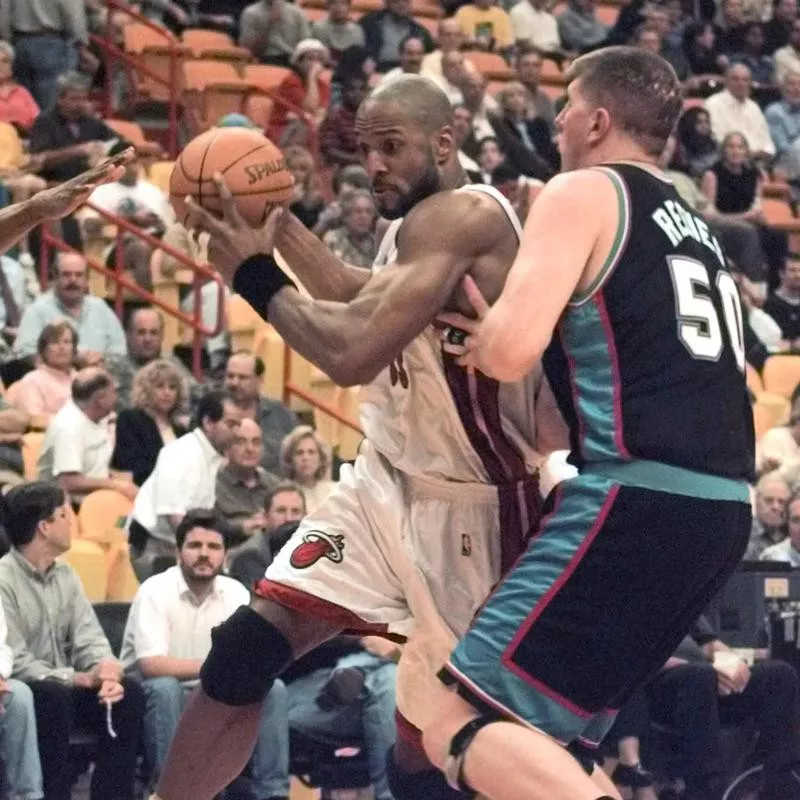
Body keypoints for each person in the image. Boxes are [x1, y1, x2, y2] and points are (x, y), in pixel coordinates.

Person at [152, 73, 565, 800]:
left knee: (436, 754)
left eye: (392, 147)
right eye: (365, 149)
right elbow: (355, 299)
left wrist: (250, 271)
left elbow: (351, 352)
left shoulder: (467, 216)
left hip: (477, 510)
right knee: (243, 653)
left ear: (447, 140)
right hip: (381, 485)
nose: (372, 165)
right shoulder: (416, 227)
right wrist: (277, 224)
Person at [420, 45, 753, 800]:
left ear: (599, 119)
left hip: (639, 503)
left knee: (459, 725)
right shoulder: (695, 229)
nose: (558, 119)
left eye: (567, 104)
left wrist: (488, 330)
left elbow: (505, 352)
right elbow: (552, 427)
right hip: (719, 514)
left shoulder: (581, 192)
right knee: (539, 744)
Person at [120, 509, 290, 799]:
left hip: (211, 689)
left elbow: (248, 660)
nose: (204, 554)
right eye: (195, 546)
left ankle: (272, 792)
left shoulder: (235, 592)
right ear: (178, 551)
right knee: (165, 688)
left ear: (225, 555)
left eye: (213, 547)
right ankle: (171, 793)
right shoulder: (155, 590)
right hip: (153, 693)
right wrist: (216, 668)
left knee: (273, 688)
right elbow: (152, 665)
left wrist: (222, 673)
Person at [0, 481, 145, 800]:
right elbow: (17, 662)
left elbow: (89, 638)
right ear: (44, 527)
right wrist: (78, 677)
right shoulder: (3, 579)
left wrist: (106, 670)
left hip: (66, 687)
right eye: (65, 514)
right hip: (28, 692)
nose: (72, 523)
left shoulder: (66, 574)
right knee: (53, 694)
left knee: (128, 694)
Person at [110, 359, 188, 487]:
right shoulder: (130, 420)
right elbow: (132, 466)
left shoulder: (181, 430)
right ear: (146, 390)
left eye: (172, 387)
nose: (167, 392)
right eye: (160, 386)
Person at [12, 321, 77, 423]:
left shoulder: (82, 379)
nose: (61, 347)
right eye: (54, 342)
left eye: (67, 342)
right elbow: (34, 419)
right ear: (43, 350)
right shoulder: (33, 380)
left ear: (74, 348)